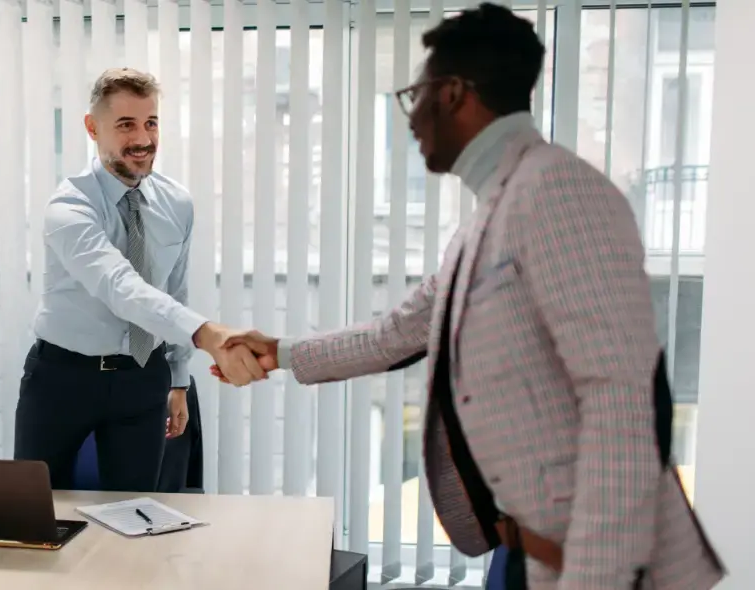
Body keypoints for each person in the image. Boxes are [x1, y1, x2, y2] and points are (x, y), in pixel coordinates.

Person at [213, 4, 724, 589]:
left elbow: (622, 400)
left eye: (415, 95)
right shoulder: (488, 219)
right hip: (521, 550)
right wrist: (278, 351)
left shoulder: (557, 192)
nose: (410, 119)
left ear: (454, 93)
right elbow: (397, 335)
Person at [15, 68, 263, 493]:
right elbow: (120, 286)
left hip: (142, 378)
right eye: (126, 124)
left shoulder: (176, 204)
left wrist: (179, 379)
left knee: (136, 516)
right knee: (33, 509)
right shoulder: (69, 207)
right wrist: (207, 334)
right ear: (93, 127)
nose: (143, 139)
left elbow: (174, 290)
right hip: (61, 379)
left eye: (151, 123)